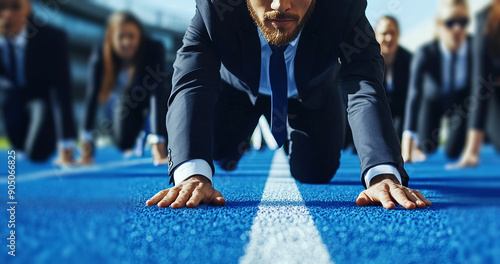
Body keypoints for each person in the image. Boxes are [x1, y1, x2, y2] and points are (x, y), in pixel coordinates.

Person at [147, 0, 432, 210]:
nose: (279, 6)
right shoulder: (216, 7)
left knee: (315, 173)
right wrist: (191, 173)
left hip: (310, 94)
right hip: (239, 92)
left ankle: (290, 138)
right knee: (219, 154)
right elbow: (192, 80)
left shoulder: (344, 8)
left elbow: (365, 84)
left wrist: (383, 173)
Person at [79, 12, 170, 166]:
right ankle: (139, 132)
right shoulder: (101, 54)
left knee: (165, 113)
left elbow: (157, 92)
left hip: (160, 97)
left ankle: (155, 134)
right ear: (112, 38)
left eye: (131, 36)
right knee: (123, 142)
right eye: (121, 37)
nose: (126, 42)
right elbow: (92, 96)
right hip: (131, 99)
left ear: (139, 36)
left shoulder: (154, 48)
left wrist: (158, 143)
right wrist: (86, 144)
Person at [0, 0, 76, 164]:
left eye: (15, 6)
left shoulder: (52, 39)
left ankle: (42, 140)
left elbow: (62, 90)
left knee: (37, 153)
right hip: (12, 103)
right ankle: (19, 143)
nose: (7, 14)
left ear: (28, 8)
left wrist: (66, 142)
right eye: (1, 7)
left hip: (41, 102)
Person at [402, 0, 472, 163]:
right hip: (431, 102)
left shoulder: (474, 48)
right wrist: (407, 147)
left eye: (463, 22)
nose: (457, 29)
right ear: (440, 25)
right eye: (450, 23)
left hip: (460, 105)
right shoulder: (425, 53)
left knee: (453, 152)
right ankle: (421, 145)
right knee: (429, 147)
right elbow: (414, 95)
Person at [449, 0, 500, 168]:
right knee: (452, 148)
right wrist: (472, 151)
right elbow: (481, 83)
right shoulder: (485, 19)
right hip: (494, 94)